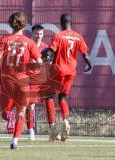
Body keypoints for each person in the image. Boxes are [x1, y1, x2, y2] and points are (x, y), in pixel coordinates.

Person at [0, 12, 43, 149]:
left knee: (5, 111)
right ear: (24, 24)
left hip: (6, 79)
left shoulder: (4, 40)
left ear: (10, 23)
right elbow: (39, 63)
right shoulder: (30, 43)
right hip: (22, 80)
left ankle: (9, 115)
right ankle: (14, 141)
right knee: (21, 111)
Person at [44, 13, 92, 141]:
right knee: (62, 98)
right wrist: (90, 65)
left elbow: (51, 52)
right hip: (70, 72)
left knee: (48, 97)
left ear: (61, 23)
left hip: (58, 71)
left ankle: (53, 125)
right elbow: (86, 55)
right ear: (71, 23)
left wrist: (46, 56)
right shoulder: (78, 37)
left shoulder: (58, 36)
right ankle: (65, 121)